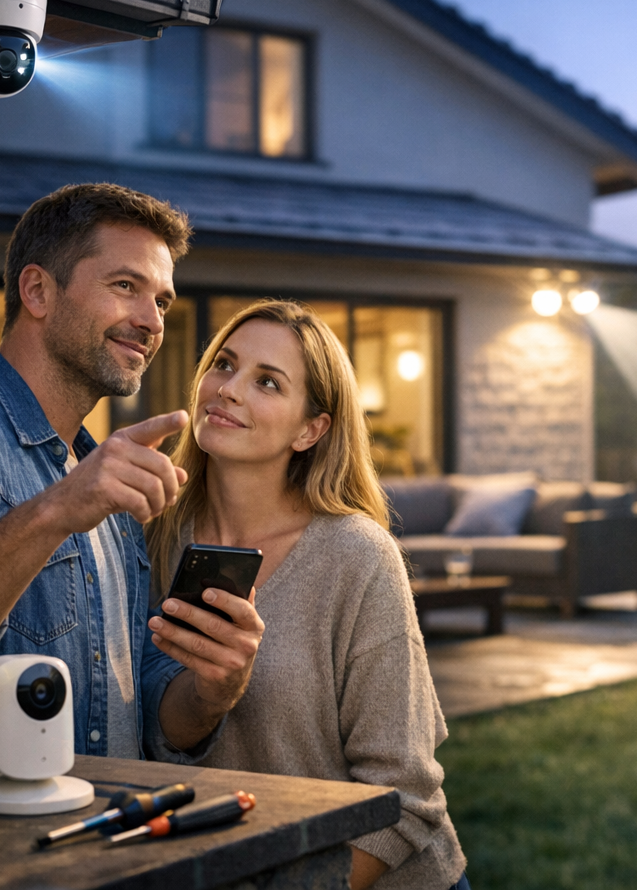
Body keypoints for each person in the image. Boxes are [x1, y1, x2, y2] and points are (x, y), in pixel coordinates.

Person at [0, 184, 262, 761]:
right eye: (125, 286)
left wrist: (212, 691)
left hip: (102, 838)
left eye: (163, 302)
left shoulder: (97, 471)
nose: (152, 321)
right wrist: (56, 509)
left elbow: (135, 706)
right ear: (37, 291)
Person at [146, 299, 469, 890]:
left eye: (267, 381)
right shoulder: (152, 538)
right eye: (224, 364)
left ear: (311, 429)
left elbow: (405, 791)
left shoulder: (356, 555)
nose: (229, 389)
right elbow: (150, 734)